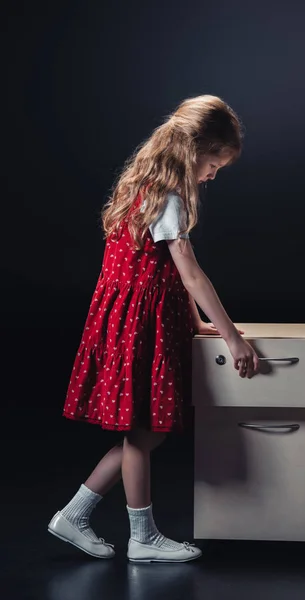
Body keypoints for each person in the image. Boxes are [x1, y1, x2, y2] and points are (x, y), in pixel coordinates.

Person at [48, 95, 260, 563]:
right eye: (213, 162)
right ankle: (142, 539)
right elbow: (189, 272)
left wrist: (196, 320)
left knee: (144, 432)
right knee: (142, 433)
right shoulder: (168, 195)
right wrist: (231, 336)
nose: (213, 174)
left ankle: (73, 515)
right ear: (196, 148)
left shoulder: (146, 182)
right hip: (139, 326)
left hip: (134, 319)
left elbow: (162, 270)